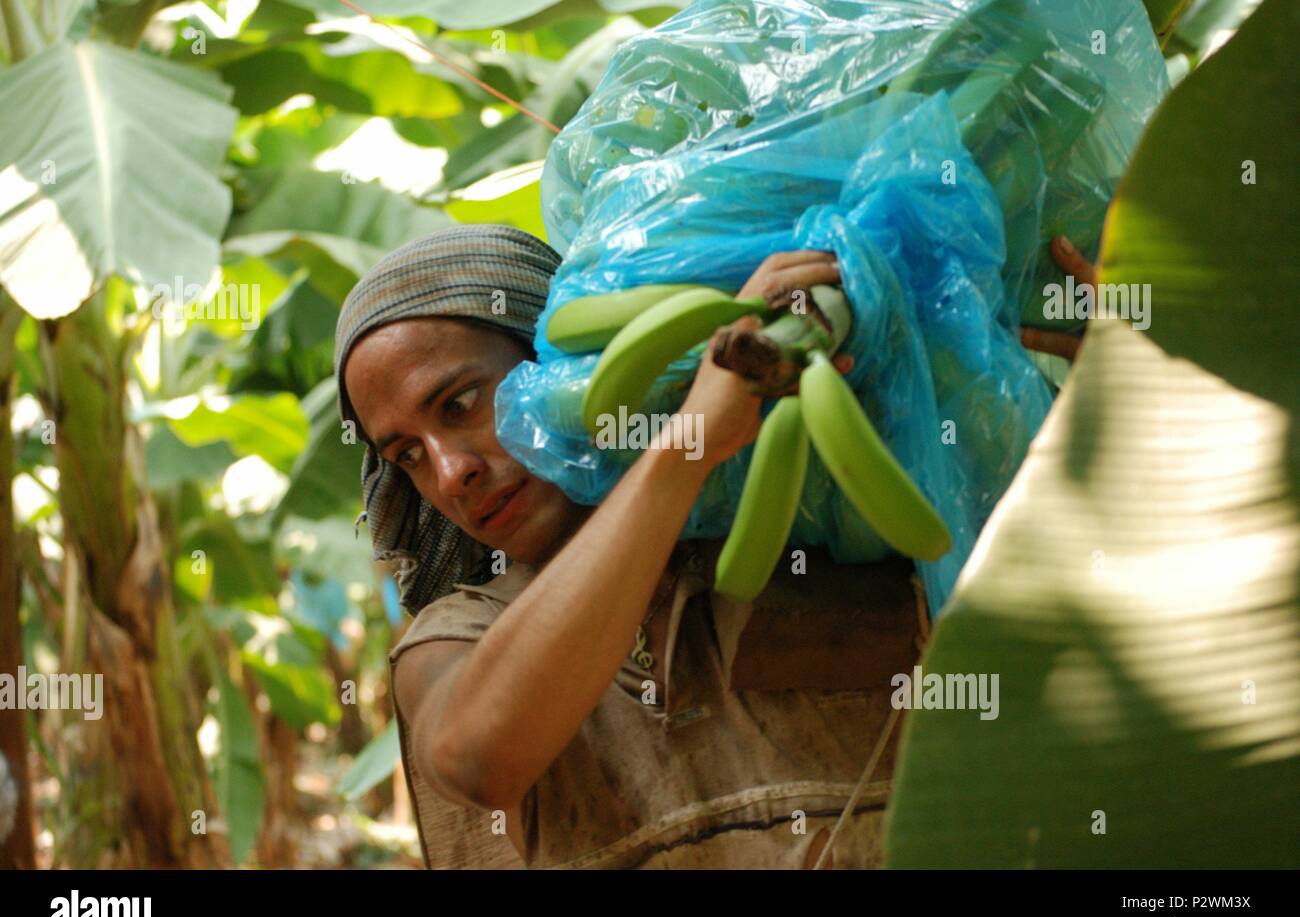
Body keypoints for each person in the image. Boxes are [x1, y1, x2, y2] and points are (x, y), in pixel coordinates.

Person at [333, 224, 1088, 869]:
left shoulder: (815, 517)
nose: (450, 470)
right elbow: (480, 756)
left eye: (460, 404)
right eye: (406, 455)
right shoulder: (456, 639)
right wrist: (688, 442)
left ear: (553, 356)